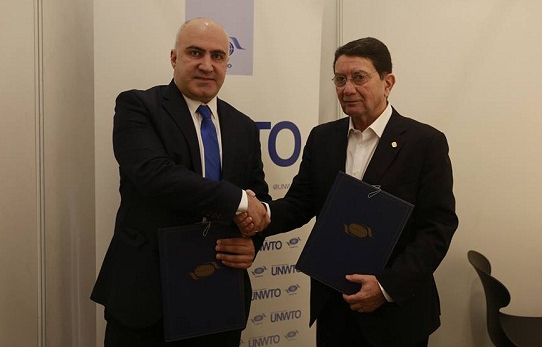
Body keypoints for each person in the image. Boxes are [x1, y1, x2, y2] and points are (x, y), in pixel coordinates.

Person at [242, 37, 458, 346]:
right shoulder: (323, 138)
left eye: (359, 77)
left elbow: (437, 228)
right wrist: (262, 213)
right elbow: (300, 203)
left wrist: (385, 287)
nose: (348, 88)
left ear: (388, 83)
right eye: (340, 79)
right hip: (335, 303)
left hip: (396, 312)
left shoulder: (425, 143)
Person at [91, 17, 271, 346]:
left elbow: (258, 196)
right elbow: (156, 176)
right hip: (146, 298)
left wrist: (252, 243)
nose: (207, 65)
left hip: (219, 292)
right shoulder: (138, 107)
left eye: (218, 56)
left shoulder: (243, 126)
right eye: (195, 53)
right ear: (174, 58)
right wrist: (241, 202)